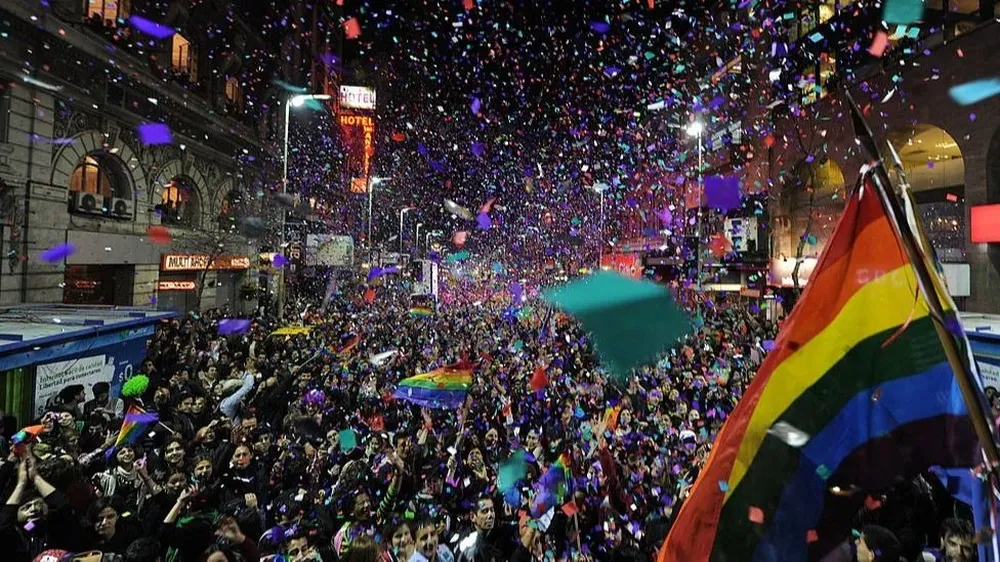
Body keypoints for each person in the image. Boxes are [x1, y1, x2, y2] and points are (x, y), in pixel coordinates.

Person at [0, 453, 82, 562]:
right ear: (16, 514)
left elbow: (63, 507)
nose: (34, 509)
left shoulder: (55, 530)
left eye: (39, 504)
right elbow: (3, 524)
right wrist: (21, 484)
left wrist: (36, 478)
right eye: (27, 507)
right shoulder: (15, 536)